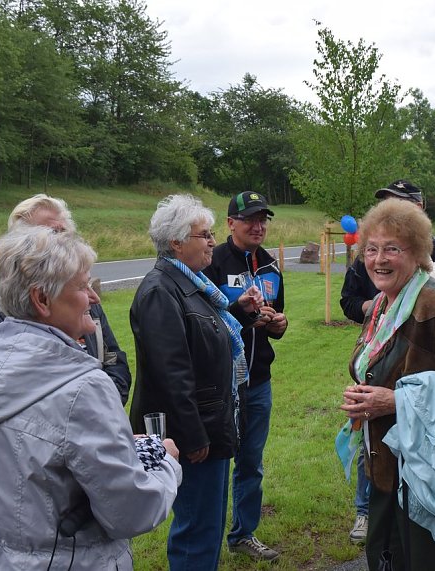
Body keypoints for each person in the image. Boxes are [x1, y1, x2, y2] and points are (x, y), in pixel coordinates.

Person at [0, 226, 181, 570]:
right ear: (41, 299)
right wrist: (166, 464)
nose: (94, 297)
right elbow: (130, 511)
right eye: (83, 286)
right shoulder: (82, 386)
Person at [339, 199, 435, 571]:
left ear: (420, 253)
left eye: (393, 248)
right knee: (387, 558)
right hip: (387, 468)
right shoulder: (382, 303)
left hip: (430, 474)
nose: (379, 259)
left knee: (430, 562)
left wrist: (396, 402)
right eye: (372, 249)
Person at [128, 194, 263, 571]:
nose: (212, 242)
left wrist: (238, 314)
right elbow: (171, 372)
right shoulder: (160, 291)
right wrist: (193, 435)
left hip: (211, 421)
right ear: (176, 243)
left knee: (209, 523)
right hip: (194, 432)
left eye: (211, 234)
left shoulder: (193, 285)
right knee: (196, 528)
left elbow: (205, 339)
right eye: (204, 235)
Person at [0, 193, 132, 404]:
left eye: (63, 233)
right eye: (49, 234)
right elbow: (11, 393)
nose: (60, 242)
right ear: (22, 247)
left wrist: (105, 402)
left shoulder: (82, 297)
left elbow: (112, 358)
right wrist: (91, 407)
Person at [203, 191, 288, 561]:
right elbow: (206, 321)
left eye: (263, 219)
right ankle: (206, 540)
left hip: (259, 381)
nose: (258, 226)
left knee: (251, 462)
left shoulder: (271, 267)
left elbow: (275, 319)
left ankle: (243, 535)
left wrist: (278, 324)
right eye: (250, 219)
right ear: (230, 223)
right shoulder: (211, 262)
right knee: (217, 464)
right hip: (221, 384)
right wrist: (245, 314)